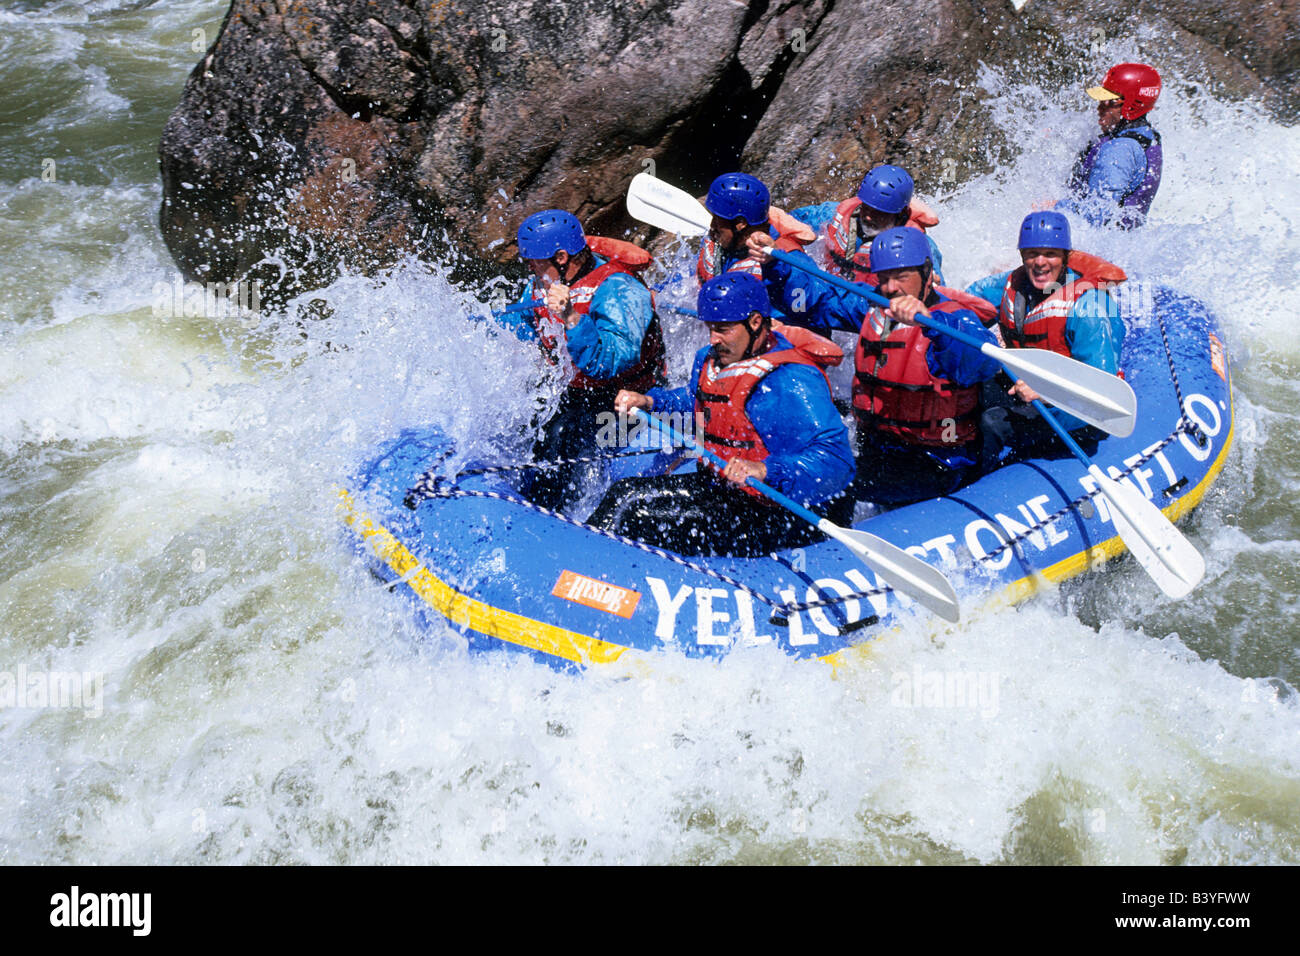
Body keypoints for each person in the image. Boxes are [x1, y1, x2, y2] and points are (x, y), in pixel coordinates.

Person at [589, 272, 854, 556]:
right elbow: (696, 400)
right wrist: (651, 401)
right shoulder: (712, 359)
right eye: (710, 328)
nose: (713, 339)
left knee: (632, 507)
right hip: (722, 490)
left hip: (774, 513)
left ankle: (585, 572)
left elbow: (837, 462)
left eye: (724, 329)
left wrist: (765, 470)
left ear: (755, 323)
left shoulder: (791, 380)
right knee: (625, 493)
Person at [749, 227, 1000, 504]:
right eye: (884, 277)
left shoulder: (955, 321)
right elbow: (819, 296)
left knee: (833, 487)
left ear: (927, 272)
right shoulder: (874, 304)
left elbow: (982, 363)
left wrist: (933, 326)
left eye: (901, 277)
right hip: (881, 447)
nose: (891, 287)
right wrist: (776, 264)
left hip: (938, 460)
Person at [512, 209, 667, 511]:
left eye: (535, 262)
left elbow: (609, 362)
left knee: (566, 437)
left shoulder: (619, 289)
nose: (530, 269)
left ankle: (558, 520)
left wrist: (571, 316)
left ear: (560, 258)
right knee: (535, 427)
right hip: (579, 392)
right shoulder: (541, 283)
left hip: (628, 398)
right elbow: (523, 329)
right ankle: (528, 503)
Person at [965, 211, 1127, 465]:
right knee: (964, 390)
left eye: (1050, 254)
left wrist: (1048, 393)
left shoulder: (1091, 309)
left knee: (992, 422)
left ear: (1065, 257)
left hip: (1073, 414)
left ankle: (970, 489)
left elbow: (1101, 393)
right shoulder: (1013, 285)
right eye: (1032, 254)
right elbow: (964, 305)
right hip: (1023, 391)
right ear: (1022, 256)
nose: (1040, 263)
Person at [790, 164, 945, 285]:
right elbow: (793, 218)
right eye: (866, 208)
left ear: (901, 213)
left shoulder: (919, 247)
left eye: (879, 213)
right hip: (829, 294)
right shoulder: (833, 214)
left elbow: (938, 296)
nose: (869, 217)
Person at [1058, 63, 1162, 229]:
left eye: (1108, 103)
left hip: (1099, 245)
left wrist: (1054, 208)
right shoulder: (1146, 136)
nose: (1099, 108)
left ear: (1131, 104)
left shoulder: (1120, 150)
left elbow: (1098, 214)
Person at [696, 172, 815, 284]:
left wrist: (775, 264)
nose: (712, 226)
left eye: (718, 221)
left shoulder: (791, 260)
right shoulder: (722, 244)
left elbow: (825, 301)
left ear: (740, 224)